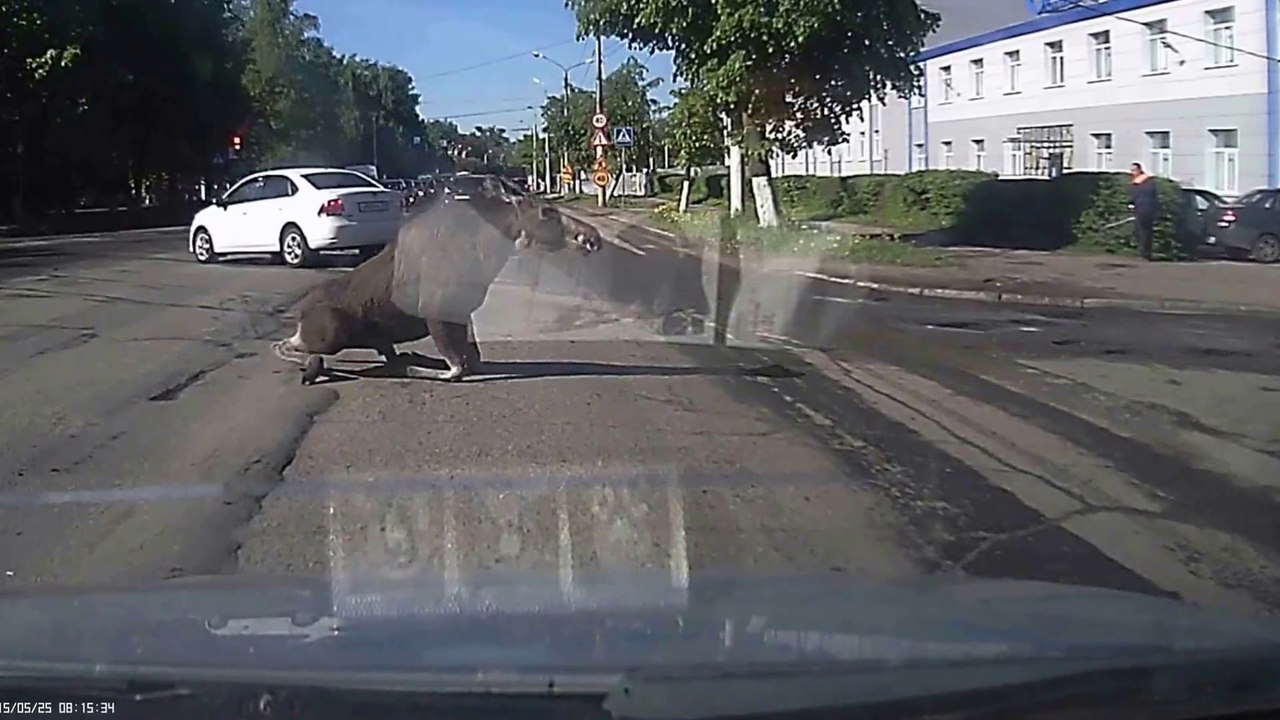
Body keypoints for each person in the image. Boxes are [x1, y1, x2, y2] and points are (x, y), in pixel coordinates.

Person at [1128, 162, 1159, 260]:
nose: (1132, 173)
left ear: (1139, 170)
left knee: (1143, 231)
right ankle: (1145, 253)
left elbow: (1135, 196)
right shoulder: (1150, 182)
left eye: (1134, 170)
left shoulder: (1138, 183)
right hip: (1149, 209)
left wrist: (1131, 204)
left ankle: (1144, 253)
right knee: (1146, 232)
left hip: (1142, 209)